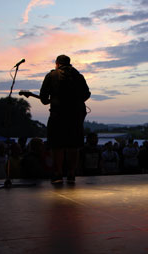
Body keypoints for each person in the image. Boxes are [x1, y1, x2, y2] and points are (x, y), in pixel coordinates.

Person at [40, 55, 91, 184]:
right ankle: (71, 173)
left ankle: (58, 174)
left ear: (57, 64)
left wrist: (53, 100)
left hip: (57, 116)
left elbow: (43, 98)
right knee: (74, 146)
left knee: (57, 146)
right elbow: (87, 94)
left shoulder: (51, 76)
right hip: (75, 117)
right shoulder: (79, 76)